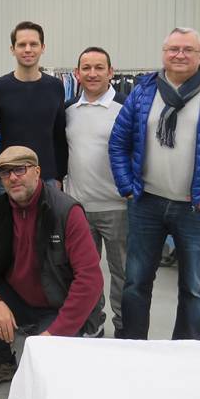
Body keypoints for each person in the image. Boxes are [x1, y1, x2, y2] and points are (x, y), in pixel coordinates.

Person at [109, 27, 200, 340]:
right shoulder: (143, 92)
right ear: (163, 53)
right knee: (135, 283)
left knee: (194, 288)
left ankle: (186, 354)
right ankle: (133, 348)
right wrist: (126, 186)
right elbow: (118, 143)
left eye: (188, 49)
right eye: (173, 48)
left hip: (196, 210)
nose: (179, 55)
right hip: (146, 203)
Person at [0, 146, 104, 393]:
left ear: (37, 172)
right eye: (5, 173)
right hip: (17, 299)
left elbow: (90, 280)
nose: (13, 178)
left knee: (47, 387)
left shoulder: (66, 211)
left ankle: (63, 343)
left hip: (57, 306)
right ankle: (3, 361)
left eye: (20, 170)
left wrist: (54, 333)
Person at [64, 47, 128, 337]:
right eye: (86, 68)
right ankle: (93, 325)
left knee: (123, 274)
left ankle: (126, 330)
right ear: (77, 73)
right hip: (78, 208)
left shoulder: (126, 109)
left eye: (99, 67)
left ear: (110, 72)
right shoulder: (68, 111)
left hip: (118, 208)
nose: (92, 73)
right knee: (85, 275)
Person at [0, 21, 67, 192]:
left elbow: (59, 136)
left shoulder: (55, 87)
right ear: (12, 49)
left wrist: (59, 176)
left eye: (33, 44)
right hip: (8, 179)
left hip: (47, 180)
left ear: (43, 47)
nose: (28, 49)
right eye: (22, 44)